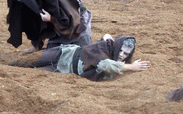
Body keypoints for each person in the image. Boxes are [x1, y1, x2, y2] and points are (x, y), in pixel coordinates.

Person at [9, 34, 151, 81]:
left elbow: (109, 67)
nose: (121, 55)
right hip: (65, 53)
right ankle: (5, 65)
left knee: (30, 73)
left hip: (64, 70)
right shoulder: (106, 47)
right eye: (120, 51)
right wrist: (131, 67)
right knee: (25, 62)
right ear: (117, 45)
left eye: (126, 54)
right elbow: (104, 64)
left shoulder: (115, 65)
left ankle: (8, 74)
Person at [6, 0, 92, 55]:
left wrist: (51, 19)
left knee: (83, 54)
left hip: (77, 22)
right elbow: (37, 24)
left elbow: (71, 23)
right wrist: (35, 45)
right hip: (57, 26)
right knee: (54, 53)